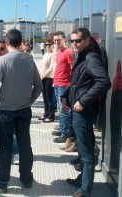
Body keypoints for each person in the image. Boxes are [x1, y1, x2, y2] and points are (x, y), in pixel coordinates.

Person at [0, 29, 43, 193]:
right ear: (20, 41)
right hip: (24, 110)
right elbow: (39, 85)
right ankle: (26, 179)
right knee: (25, 145)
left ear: (6, 42)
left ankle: (2, 183)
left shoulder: (2, 61)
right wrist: (29, 100)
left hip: (6, 111)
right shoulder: (29, 60)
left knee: (5, 148)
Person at [62, 27, 111, 197]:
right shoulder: (82, 55)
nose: (74, 43)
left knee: (86, 152)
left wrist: (82, 101)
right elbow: (78, 83)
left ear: (87, 40)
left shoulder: (91, 58)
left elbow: (104, 82)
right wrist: (65, 96)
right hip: (77, 110)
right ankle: (82, 180)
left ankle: (85, 191)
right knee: (83, 149)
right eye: (72, 40)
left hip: (83, 112)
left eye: (78, 41)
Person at [52, 31, 74, 143]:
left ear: (64, 39)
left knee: (64, 110)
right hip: (57, 84)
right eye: (55, 40)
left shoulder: (68, 52)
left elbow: (73, 69)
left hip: (65, 85)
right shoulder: (59, 52)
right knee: (60, 109)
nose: (56, 42)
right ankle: (62, 129)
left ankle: (65, 134)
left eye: (58, 40)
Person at [38, 38, 56, 123]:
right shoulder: (45, 54)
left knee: (50, 98)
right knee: (45, 98)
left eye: (49, 44)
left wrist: (43, 76)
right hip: (43, 77)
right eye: (46, 45)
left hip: (49, 78)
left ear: (53, 45)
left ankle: (51, 115)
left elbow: (51, 67)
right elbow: (42, 66)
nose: (47, 46)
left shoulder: (53, 54)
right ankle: (46, 113)